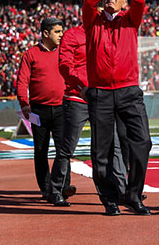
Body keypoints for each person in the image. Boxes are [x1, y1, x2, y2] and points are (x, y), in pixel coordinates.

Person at [83, 0, 152, 216]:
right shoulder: (93, 20)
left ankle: (133, 195)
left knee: (142, 142)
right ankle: (109, 198)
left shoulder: (131, 20)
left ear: (125, 3)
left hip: (129, 92)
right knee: (101, 154)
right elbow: (89, 0)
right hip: (100, 93)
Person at [47, 24, 128, 207]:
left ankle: (123, 192)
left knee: (114, 146)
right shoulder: (72, 35)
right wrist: (82, 87)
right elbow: (65, 65)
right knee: (67, 148)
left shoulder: (109, 33)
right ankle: (56, 191)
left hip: (103, 99)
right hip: (77, 98)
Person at [16, 17, 65, 199]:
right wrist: (24, 104)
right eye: (57, 32)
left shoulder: (64, 52)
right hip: (38, 110)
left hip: (62, 108)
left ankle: (62, 186)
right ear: (46, 33)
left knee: (63, 150)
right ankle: (46, 188)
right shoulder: (30, 55)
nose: (61, 35)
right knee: (40, 150)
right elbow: (22, 81)